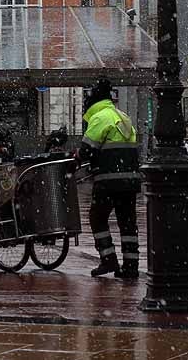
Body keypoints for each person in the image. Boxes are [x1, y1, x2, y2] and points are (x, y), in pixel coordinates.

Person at [78, 79, 141, 279]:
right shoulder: (123, 116)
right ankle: (131, 265)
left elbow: (87, 150)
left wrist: (77, 157)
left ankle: (108, 259)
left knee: (97, 218)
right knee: (127, 222)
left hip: (108, 180)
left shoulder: (100, 118)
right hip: (129, 181)